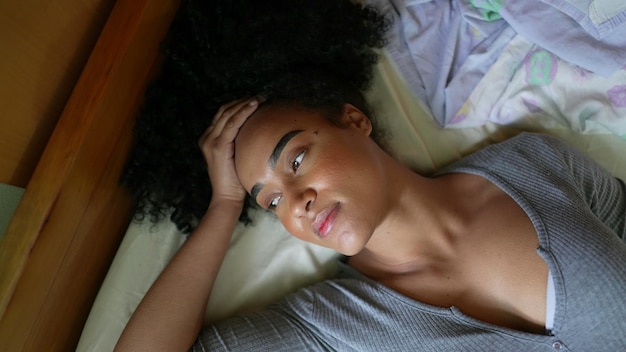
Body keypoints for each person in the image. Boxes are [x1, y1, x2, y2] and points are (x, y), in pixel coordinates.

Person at [115, 0, 626, 350]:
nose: (296, 203)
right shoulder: (330, 327)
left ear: (355, 121)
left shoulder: (534, 162)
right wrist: (224, 205)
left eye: (295, 161)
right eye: (270, 202)